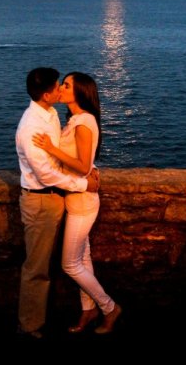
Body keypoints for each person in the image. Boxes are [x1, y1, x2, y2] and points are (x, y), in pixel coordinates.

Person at [33, 71, 122, 334]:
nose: (61, 87)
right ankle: (88, 311)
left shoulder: (83, 122)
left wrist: (52, 149)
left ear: (79, 92)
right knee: (83, 258)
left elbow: (82, 167)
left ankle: (110, 307)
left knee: (69, 264)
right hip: (76, 198)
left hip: (83, 202)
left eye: (67, 85)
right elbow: (87, 162)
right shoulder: (76, 119)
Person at [16, 67, 99, 339]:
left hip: (59, 198)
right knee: (37, 268)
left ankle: (91, 308)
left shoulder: (52, 114)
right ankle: (30, 327)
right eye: (57, 86)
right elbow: (47, 173)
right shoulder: (32, 127)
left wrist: (88, 169)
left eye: (65, 85)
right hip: (40, 201)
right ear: (46, 94)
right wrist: (85, 182)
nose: (60, 89)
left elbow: (74, 155)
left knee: (75, 257)